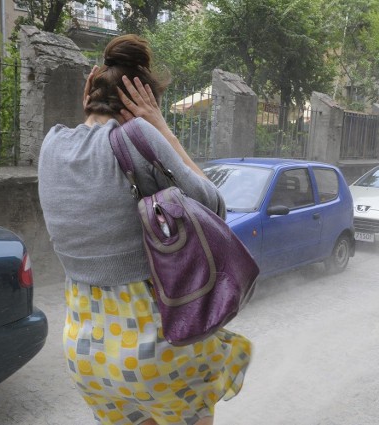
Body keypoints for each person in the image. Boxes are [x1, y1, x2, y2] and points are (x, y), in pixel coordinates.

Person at [38, 34, 251, 425]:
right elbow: (215, 205)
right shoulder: (140, 137)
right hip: (158, 344)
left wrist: (96, 104)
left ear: (90, 95)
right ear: (143, 102)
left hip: (88, 353)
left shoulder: (51, 146)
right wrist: (160, 127)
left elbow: (91, 141)